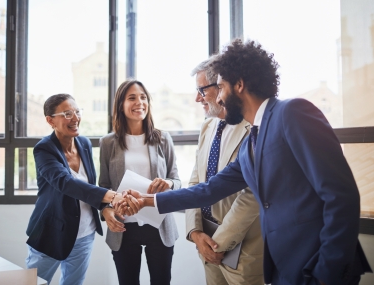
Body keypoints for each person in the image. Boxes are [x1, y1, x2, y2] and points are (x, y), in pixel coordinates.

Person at [117, 39, 372, 285]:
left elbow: (341, 196)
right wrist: (146, 201)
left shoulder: (292, 113)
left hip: (318, 267)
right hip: (285, 269)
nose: (218, 98)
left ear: (239, 84)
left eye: (221, 87)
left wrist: (328, 273)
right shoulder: (253, 138)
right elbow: (209, 190)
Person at [26, 94, 125, 285]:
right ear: (50, 120)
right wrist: (111, 196)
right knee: (33, 283)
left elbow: (89, 186)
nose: (75, 118)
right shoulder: (44, 149)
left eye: (77, 112)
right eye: (67, 113)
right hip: (51, 233)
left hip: (84, 234)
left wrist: (105, 207)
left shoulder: (84, 144)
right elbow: (65, 183)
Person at [186, 58, 263, 284]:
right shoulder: (207, 126)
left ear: (222, 87)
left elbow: (252, 196)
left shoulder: (253, 128)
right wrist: (195, 232)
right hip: (205, 240)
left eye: (202, 90)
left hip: (243, 248)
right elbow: (195, 182)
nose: (197, 98)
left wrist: (218, 242)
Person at [99, 79, 180, 285]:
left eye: (143, 97)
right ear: (121, 104)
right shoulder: (108, 142)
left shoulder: (163, 138)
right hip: (124, 226)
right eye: (132, 98)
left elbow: (177, 181)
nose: (140, 102)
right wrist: (106, 210)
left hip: (159, 224)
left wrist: (168, 184)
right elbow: (103, 186)